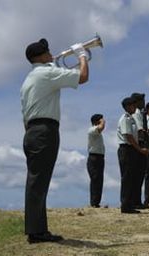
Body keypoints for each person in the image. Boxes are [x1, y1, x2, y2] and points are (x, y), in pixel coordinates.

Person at [20, 38, 89, 243]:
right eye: (47, 51)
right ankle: (36, 232)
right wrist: (83, 55)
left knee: (37, 182)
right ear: (40, 57)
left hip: (32, 131)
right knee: (38, 182)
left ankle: (37, 229)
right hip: (44, 131)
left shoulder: (29, 79)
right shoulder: (47, 73)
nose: (51, 53)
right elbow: (83, 77)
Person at [117, 97, 149, 214]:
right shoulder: (125, 119)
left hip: (131, 150)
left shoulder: (131, 118)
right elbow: (129, 137)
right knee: (127, 178)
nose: (134, 107)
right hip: (127, 149)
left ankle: (130, 204)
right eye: (132, 105)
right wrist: (140, 149)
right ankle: (125, 205)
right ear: (127, 107)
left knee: (131, 178)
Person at [130, 92, 147, 209]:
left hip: (138, 145)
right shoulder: (137, 113)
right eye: (141, 100)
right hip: (139, 145)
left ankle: (136, 200)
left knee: (139, 175)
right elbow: (141, 132)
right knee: (137, 175)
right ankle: (136, 201)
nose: (144, 103)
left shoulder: (138, 113)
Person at [87, 114, 105, 208]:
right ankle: (94, 202)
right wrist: (102, 122)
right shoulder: (92, 130)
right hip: (94, 157)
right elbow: (101, 127)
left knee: (99, 179)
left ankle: (96, 202)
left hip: (100, 157)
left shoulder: (97, 132)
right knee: (95, 179)